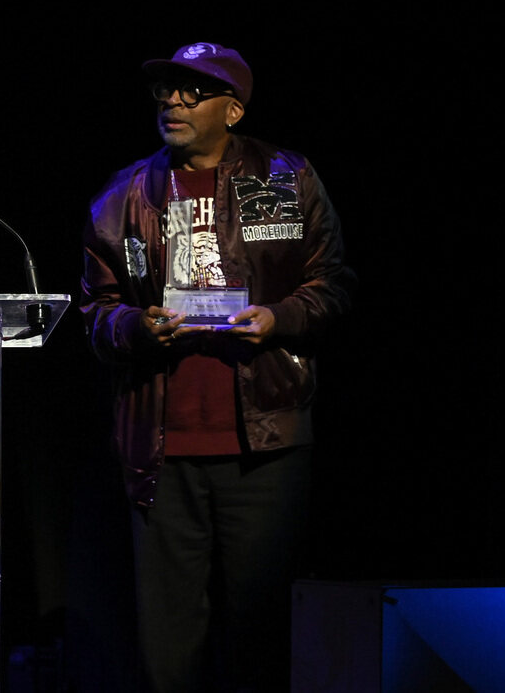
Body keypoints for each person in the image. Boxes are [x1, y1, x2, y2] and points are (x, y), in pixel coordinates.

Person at [79, 42, 354, 692]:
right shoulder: (123, 197)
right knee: (168, 649)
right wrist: (134, 326)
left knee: (258, 639)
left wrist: (277, 317)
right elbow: (96, 312)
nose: (173, 101)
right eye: (165, 91)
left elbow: (333, 283)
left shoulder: (282, 178)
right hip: (161, 451)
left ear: (231, 109)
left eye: (192, 91)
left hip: (264, 443)